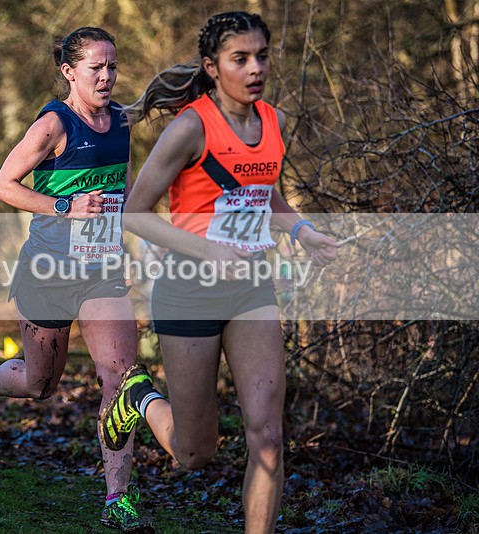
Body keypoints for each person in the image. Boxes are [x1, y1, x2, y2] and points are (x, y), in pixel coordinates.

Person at [98, 12, 340, 533]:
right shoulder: (192, 126)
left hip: (252, 290)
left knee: (268, 437)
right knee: (194, 454)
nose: (256, 68)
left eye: (262, 56)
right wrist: (207, 251)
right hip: (189, 293)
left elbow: (261, 192)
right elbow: (136, 211)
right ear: (212, 67)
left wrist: (302, 232)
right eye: (241, 59)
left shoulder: (270, 121)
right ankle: (139, 397)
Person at [0, 27, 153, 533]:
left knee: (119, 375)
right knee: (40, 383)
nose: (108, 76)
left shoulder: (119, 122)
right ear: (70, 72)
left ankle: (118, 497)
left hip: (102, 273)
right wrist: (65, 205)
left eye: (113, 66)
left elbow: (121, 188)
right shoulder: (53, 124)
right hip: (48, 271)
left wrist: (137, 242)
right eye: (97, 68)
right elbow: (3, 186)